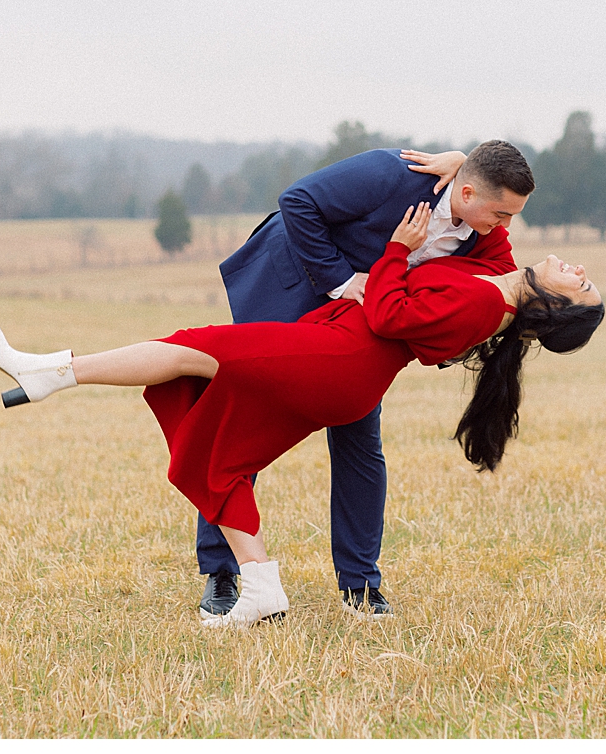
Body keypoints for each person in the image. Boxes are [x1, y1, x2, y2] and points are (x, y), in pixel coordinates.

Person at [0, 202, 605, 628]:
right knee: (217, 452)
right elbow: (493, 231)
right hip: (336, 359)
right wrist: (455, 167)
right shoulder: (496, 282)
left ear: (554, 307)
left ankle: (54, 372)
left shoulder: (479, 308)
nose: (578, 271)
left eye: (581, 285)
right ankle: (259, 584)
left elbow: (392, 316)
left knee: (192, 346)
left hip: (338, 361)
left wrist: (396, 250)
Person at [203, 140, 533, 621]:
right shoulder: (389, 173)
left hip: (361, 322)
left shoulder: (485, 234)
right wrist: (341, 280)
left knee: (360, 433)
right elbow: (298, 201)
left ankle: (360, 587)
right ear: (465, 192)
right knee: (241, 420)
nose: (506, 227)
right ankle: (222, 572)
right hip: (293, 284)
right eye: (502, 213)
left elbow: (502, 290)